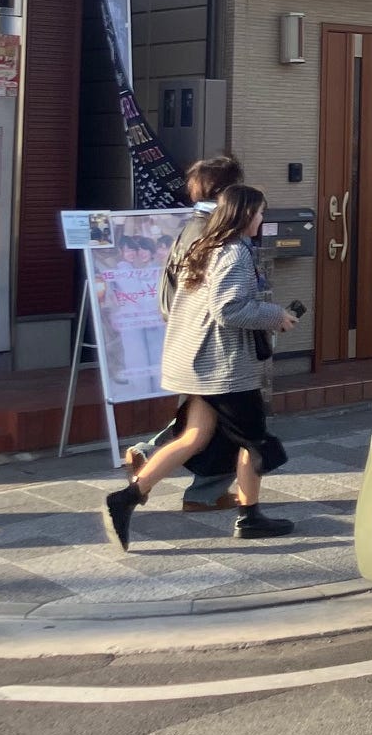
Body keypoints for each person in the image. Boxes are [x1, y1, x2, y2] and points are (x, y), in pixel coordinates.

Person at [103, 185, 299, 551]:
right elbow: (229, 309)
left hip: (195, 362)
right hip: (223, 368)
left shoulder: (203, 246)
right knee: (254, 444)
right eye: (259, 213)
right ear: (242, 215)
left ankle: (128, 497)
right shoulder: (234, 252)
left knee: (194, 438)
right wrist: (276, 316)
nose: (262, 219)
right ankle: (250, 516)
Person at [124, 155, 245, 512]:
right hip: (212, 343)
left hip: (192, 339)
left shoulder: (194, 225)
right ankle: (188, 483)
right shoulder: (215, 232)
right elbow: (220, 298)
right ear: (227, 190)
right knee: (226, 422)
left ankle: (197, 489)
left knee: (203, 419)